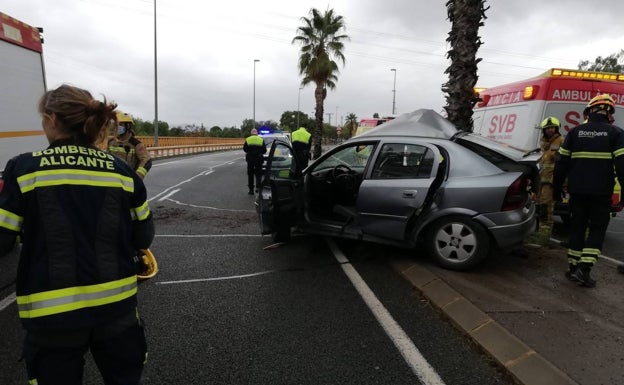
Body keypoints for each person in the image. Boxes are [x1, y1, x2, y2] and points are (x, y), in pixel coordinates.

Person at [0, 84, 155, 384]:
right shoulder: (121, 172)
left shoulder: (24, 169)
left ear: (53, 119)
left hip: (52, 319)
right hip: (118, 311)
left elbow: (2, 240)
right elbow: (143, 238)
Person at [553, 94, 624, 287]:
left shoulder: (575, 132)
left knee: (577, 227)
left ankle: (573, 267)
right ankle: (584, 270)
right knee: (597, 230)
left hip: (577, 192)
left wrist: (557, 189)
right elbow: (622, 164)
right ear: (609, 113)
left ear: (589, 111)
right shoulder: (616, 133)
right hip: (601, 193)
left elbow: (560, 165)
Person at [535, 116, 564, 241]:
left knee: (546, 208)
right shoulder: (544, 143)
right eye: (547, 128)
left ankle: (544, 237)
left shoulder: (561, 141)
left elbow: (564, 163)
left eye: (552, 127)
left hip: (552, 182)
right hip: (542, 182)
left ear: (556, 129)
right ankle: (542, 234)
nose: (550, 130)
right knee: (541, 207)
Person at [107, 111, 152, 179]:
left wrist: (137, 178)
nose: (117, 127)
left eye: (120, 124)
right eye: (116, 125)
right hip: (113, 180)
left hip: (128, 181)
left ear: (128, 126)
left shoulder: (136, 144)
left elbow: (147, 161)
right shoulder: (111, 142)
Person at [243, 128, 266, 194]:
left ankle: (251, 190)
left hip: (250, 159)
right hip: (258, 159)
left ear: (251, 133)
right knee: (259, 174)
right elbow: (264, 150)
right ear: (257, 133)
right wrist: (259, 152)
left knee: (250, 175)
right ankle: (258, 187)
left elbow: (245, 149)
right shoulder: (261, 140)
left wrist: (250, 152)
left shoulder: (248, 139)